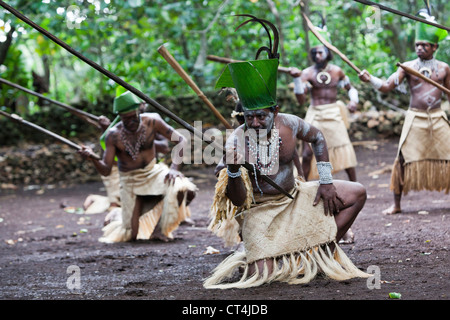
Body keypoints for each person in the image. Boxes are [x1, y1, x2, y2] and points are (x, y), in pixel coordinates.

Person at [204, 16, 369, 289]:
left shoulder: (290, 124)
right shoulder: (236, 141)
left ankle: (321, 252)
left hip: (295, 197)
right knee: (266, 278)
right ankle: (266, 251)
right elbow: (238, 200)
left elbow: (317, 137)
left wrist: (326, 180)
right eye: (248, 117)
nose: (254, 123)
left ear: (275, 111)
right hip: (260, 211)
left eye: (260, 117)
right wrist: (233, 169)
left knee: (357, 192)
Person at [358, 13, 450, 215]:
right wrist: (370, 79)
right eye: (417, 45)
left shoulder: (444, 69)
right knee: (401, 159)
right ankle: (397, 204)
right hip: (415, 118)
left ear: (435, 47)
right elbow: (387, 86)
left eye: (425, 45)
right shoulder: (407, 67)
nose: (420, 48)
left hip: (437, 117)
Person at [78, 88, 197, 243]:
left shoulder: (153, 121)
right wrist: (92, 158)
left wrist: (174, 169)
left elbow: (181, 140)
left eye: (133, 118)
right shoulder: (113, 135)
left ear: (138, 112)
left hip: (153, 172)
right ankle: (116, 215)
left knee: (183, 187)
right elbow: (106, 170)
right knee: (131, 235)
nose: (131, 122)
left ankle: (159, 230)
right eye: (126, 119)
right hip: (130, 181)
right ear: (119, 117)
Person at [289, 22, 359, 183]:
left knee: (344, 148)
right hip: (315, 113)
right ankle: (301, 186)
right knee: (307, 153)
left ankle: (355, 186)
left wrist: (354, 101)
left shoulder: (337, 71)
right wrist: (297, 80)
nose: (317, 56)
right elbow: (301, 100)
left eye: (320, 52)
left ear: (328, 53)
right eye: (314, 53)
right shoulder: (307, 73)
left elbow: (350, 88)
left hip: (334, 112)